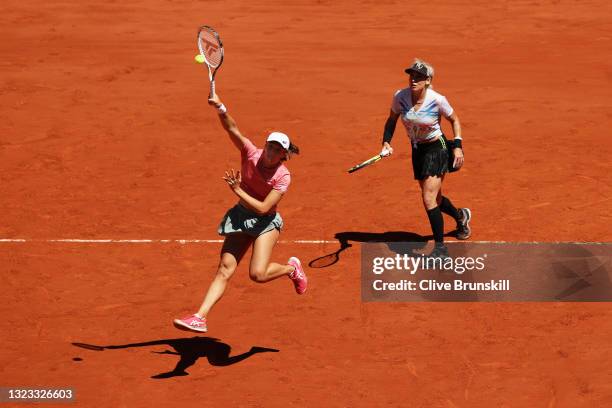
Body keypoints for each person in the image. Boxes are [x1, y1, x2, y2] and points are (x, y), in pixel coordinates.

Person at [173, 92, 307, 333]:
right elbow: (232, 129)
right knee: (225, 268)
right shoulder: (250, 153)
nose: (271, 151)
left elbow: (264, 207)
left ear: (284, 155)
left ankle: (291, 269)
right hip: (240, 217)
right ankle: (200, 316)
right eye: (270, 145)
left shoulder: (283, 176)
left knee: (257, 274)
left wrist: (237, 190)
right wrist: (220, 107)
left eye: (277, 150)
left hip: (265, 223)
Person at [380, 58, 471, 258]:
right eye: (411, 75)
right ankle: (460, 216)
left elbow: (454, 120)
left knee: (428, 198)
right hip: (417, 150)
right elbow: (391, 119)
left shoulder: (437, 99)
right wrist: (386, 141)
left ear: (428, 80)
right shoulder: (400, 97)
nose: (413, 79)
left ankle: (440, 250)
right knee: (435, 197)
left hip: (437, 148)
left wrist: (458, 147)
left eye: (419, 77)